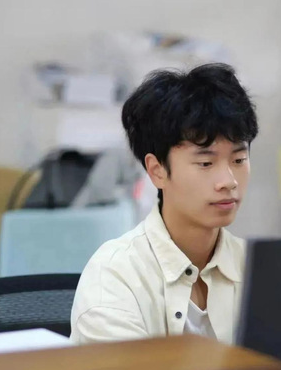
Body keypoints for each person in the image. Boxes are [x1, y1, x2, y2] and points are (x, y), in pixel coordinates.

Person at [70, 63, 258, 345]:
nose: (228, 181)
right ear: (157, 170)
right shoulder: (115, 276)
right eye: (206, 163)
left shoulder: (257, 270)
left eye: (239, 160)